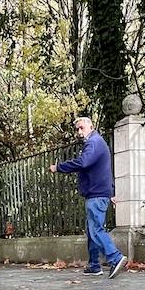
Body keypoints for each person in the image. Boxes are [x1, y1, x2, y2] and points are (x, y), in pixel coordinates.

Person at [51, 116, 125, 278]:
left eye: (82, 128)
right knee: (92, 229)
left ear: (91, 127)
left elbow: (83, 163)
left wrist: (59, 167)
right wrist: (110, 193)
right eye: (77, 129)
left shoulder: (93, 143)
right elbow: (105, 170)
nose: (79, 132)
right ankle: (93, 265)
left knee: (96, 229)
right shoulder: (98, 143)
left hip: (96, 194)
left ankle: (115, 257)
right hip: (99, 193)